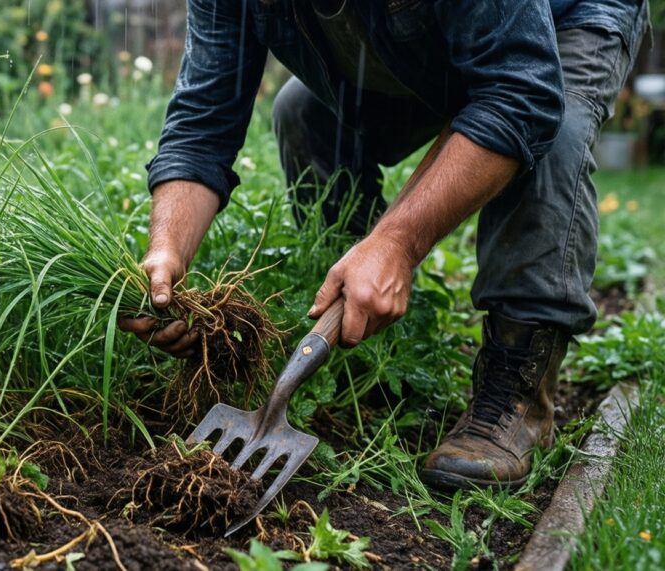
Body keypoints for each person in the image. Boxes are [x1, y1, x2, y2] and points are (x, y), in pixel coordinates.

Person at [118, 0, 649, 490]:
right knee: (302, 113)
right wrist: (168, 249)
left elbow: (522, 95)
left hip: (564, 18)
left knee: (553, 136)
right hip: (435, 33)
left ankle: (515, 391)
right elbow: (203, 120)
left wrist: (398, 241)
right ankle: (363, 327)